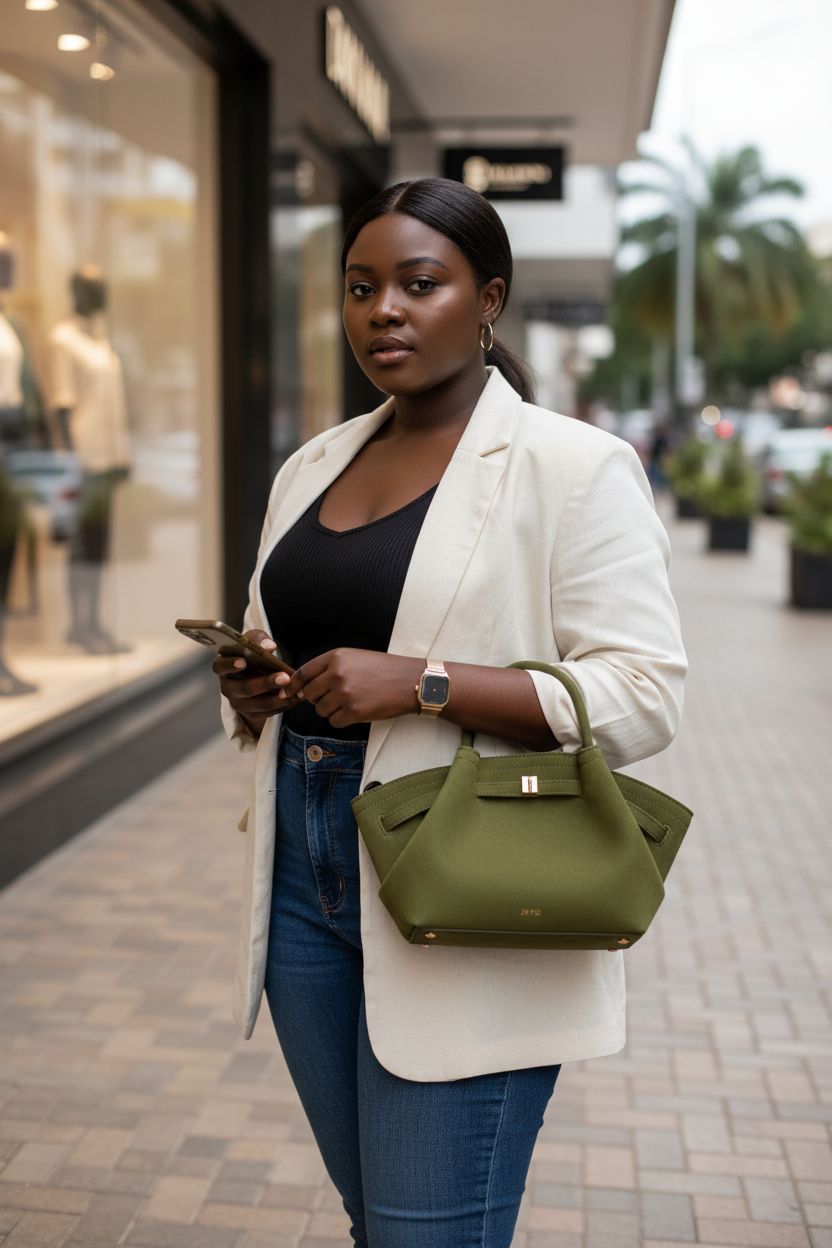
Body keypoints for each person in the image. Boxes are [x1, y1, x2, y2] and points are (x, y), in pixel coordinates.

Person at [214, 176, 687, 1248]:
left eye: (419, 284)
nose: (383, 309)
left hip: (467, 875)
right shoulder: (312, 465)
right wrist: (254, 692)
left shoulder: (574, 466)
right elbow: (274, 636)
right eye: (360, 287)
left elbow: (645, 695)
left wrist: (425, 681)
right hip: (302, 875)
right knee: (378, 1224)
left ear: (489, 299)